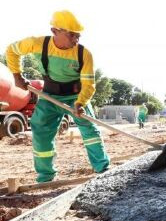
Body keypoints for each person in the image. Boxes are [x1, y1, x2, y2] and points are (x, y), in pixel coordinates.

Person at [5, 10, 110, 183]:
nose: (76, 40)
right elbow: (11, 50)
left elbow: (89, 85)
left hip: (76, 96)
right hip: (50, 95)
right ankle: (46, 177)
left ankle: (103, 168)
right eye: (71, 35)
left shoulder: (84, 54)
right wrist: (17, 75)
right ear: (55, 31)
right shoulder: (37, 44)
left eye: (78, 36)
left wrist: (81, 103)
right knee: (41, 130)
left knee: (89, 128)